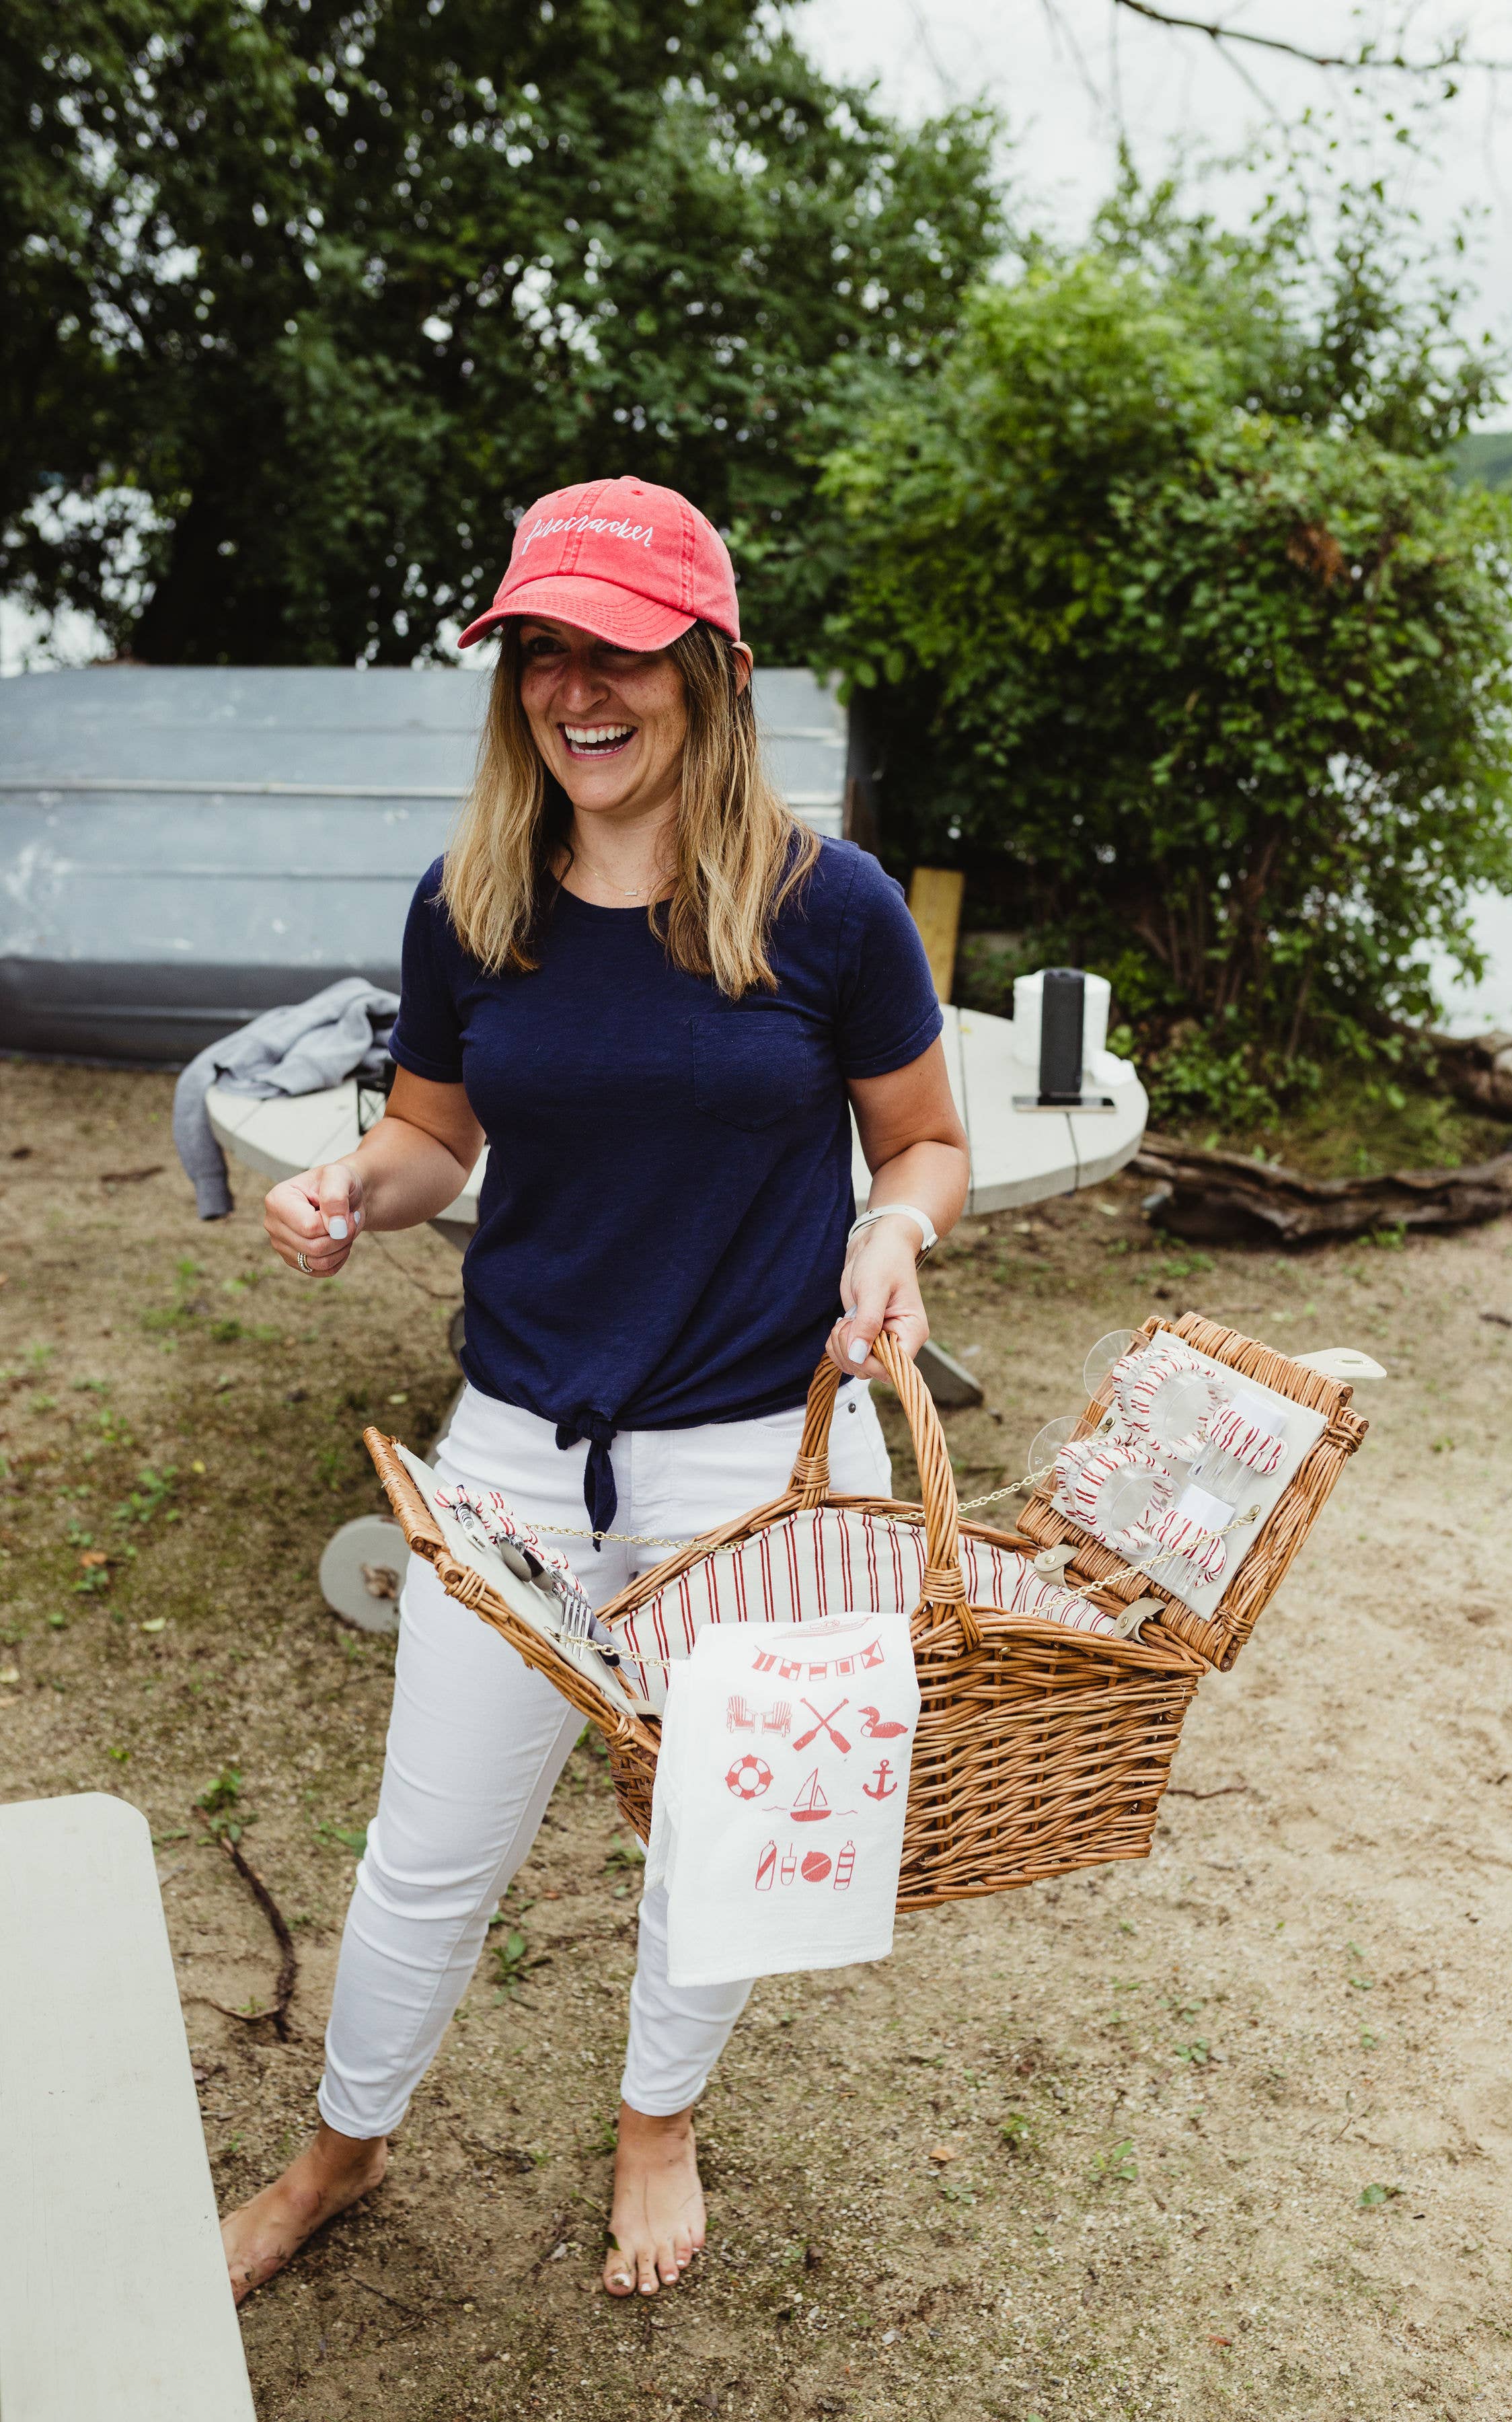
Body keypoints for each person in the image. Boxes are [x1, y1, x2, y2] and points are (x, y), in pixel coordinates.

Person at [221, 476, 969, 2306]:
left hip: (758, 1463)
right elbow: (432, 1135)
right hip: (517, 1449)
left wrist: (892, 1233)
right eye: (542, 651)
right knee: (426, 1850)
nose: (578, 689)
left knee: (726, 1837)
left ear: (712, 671)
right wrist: (351, 1189)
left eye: (618, 650)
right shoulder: (471, 902)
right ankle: (343, 2149)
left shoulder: (832, 907)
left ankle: (657, 2117)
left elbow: (926, 1141)